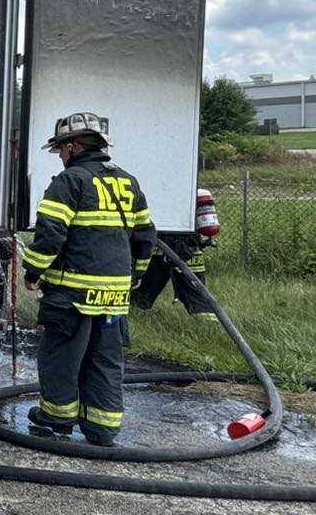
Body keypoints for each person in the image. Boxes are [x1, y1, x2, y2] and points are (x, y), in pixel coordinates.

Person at [21, 112, 156, 446]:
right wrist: (136, 275)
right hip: (113, 295)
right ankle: (102, 427)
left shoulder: (70, 182)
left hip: (73, 292)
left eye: (61, 150)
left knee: (62, 355)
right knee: (105, 358)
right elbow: (145, 235)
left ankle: (57, 419)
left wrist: (33, 271)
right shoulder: (128, 182)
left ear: (73, 146)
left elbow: (50, 234)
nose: (61, 157)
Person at [132, 189, 218, 320]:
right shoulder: (187, 188)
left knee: (141, 295)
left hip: (170, 250)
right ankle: (209, 323)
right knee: (140, 297)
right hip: (186, 249)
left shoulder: (155, 190)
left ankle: (209, 325)